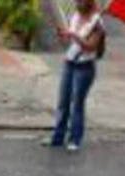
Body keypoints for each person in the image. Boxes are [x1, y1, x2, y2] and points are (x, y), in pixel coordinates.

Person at [44, 0, 104, 152]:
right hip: (69, 63)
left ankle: (75, 139)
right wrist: (63, 35)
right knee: (63, 102)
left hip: (85, 67)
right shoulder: (75, 16)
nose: (77, 2)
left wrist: (74, 35)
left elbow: (90, 46)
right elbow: (68, 43)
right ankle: (57, 137)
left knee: (77, 104)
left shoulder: (97, 22)